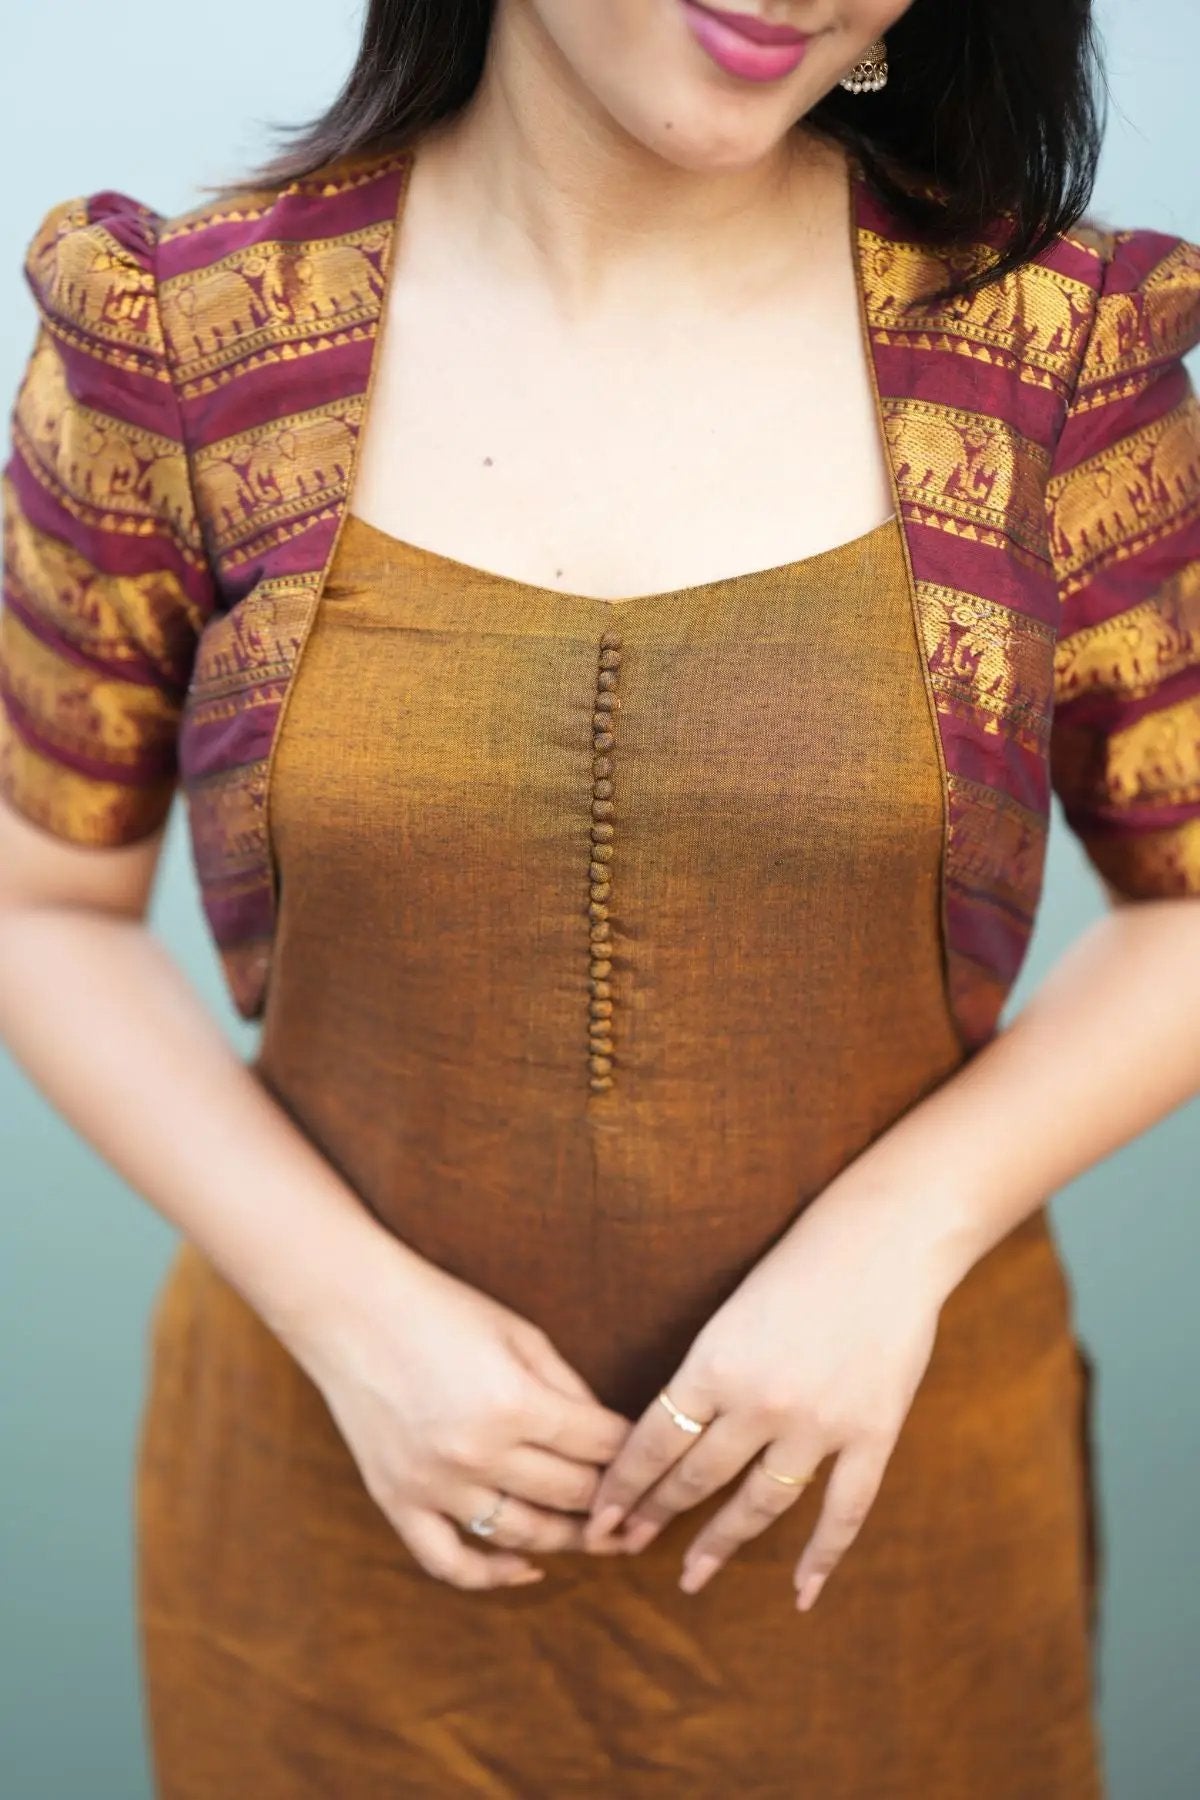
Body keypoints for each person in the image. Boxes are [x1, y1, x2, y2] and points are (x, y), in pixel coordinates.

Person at [1, 1, 1198, 1793]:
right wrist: (352, 1318)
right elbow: (41, 902)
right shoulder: (185, 335)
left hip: (884, 1548)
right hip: (338, 1549)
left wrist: (900, 1238)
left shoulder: (1055, 357)